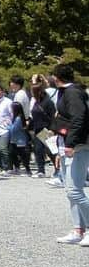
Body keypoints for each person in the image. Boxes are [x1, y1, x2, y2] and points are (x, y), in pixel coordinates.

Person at [52, 64, 89, 246]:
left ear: (56, 77)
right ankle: (78, 229)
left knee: (75, 189)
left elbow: (79, 118)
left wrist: (71, 143)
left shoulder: (73, 93)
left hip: (78, 146)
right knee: (70, 191)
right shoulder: (66, 92)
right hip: (66, 143)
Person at [28, 74, 57, 179]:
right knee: (38, 150)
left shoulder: (48, 102)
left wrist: (52, 129)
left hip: (46, 129)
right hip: (37, 129)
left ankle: (58, 170)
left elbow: (53, 117)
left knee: (50, 151)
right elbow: (33, 116)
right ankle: (41, 170)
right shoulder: (36, 102)